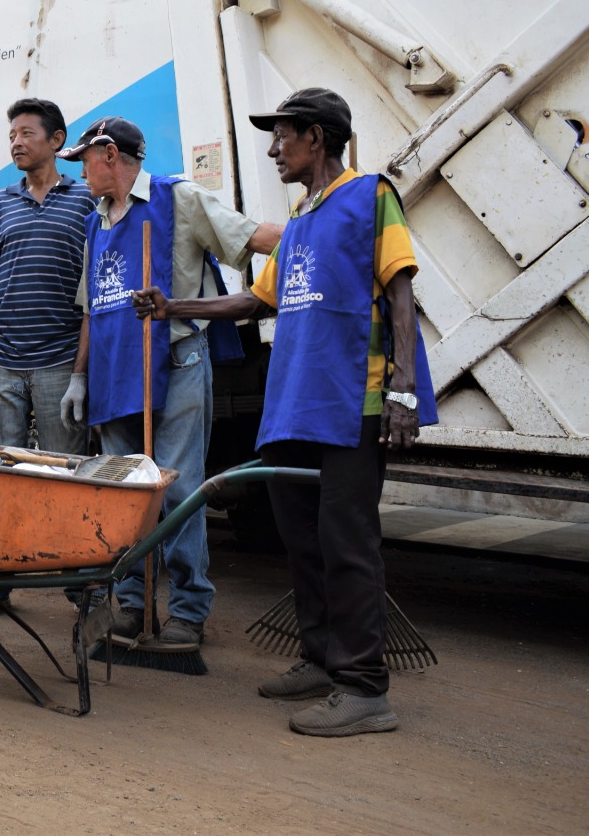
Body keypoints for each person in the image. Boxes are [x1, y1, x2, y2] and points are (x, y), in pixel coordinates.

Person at [133, 87, 437, 736]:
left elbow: (402, 290)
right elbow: (253, 303)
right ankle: (321, 657)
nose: (274, 148)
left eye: (283, 136)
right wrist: (174, 308)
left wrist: (405, 390)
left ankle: (365, 689)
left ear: (317, 139)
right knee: (303, 543)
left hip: (355, 403)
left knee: (346, 543)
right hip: (296, 407)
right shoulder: (301, 220)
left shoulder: (369, 197)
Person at [63, 116, 281, 646]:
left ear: (110, 154)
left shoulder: (178, 198)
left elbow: (251, 237)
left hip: (177, 360)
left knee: (179, 487)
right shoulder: (96, 221)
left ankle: (187, 608)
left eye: (85, 160)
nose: (81, 173)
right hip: (115, 373)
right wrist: (78, 376)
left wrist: (325, 229)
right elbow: (92, 309)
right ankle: (133, 606)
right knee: (127, 493)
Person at [0, 97, 94, 617]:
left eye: (26, 133)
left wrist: (83, 371)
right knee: (0, 477)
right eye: (11, 134)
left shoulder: (86, 203)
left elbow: (94, 294)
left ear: (57, 141)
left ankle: (78, 580)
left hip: (60, 362)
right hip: (3, 362)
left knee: (67, 474)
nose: (16, 142)